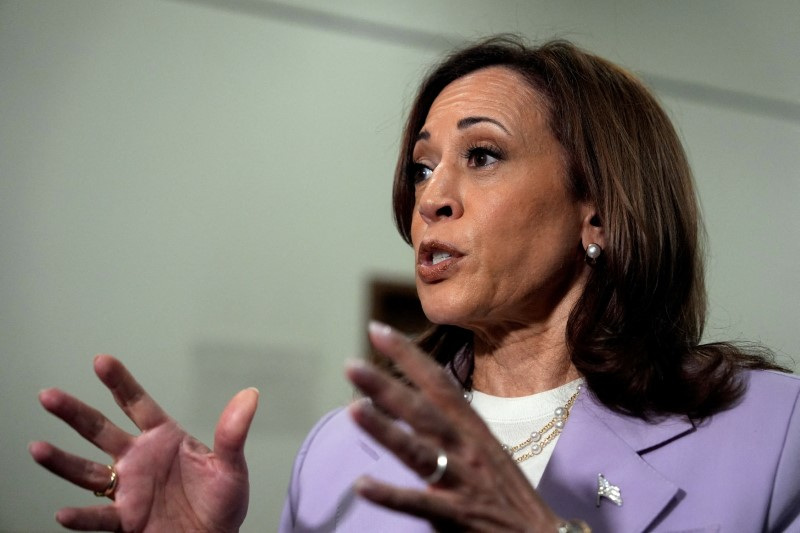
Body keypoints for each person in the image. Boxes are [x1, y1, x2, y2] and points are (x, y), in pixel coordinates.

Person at [30, 36, 799, 533]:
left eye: (484, 155)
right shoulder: (339, 450)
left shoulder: (772, 433)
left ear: (596, 212)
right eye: (424, 166)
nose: (431, 196)